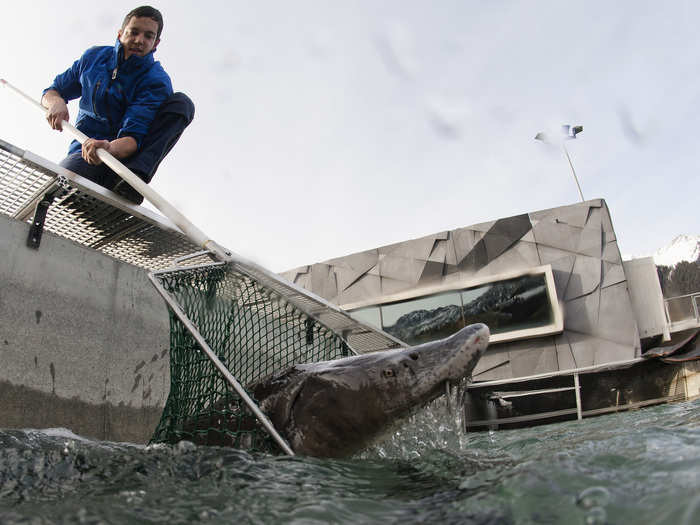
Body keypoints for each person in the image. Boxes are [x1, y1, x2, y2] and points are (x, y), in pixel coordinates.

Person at [42, 5, 194, 205]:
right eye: (134, 32)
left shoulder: (156, 80)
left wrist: (109, 148)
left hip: (124, 154)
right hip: (86, 152)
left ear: (156, 43)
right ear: (121, 33)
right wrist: (56, 102)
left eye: (148, 36)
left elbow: (133, 136)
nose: (139, 40)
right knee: (63, 184)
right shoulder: (93, 58)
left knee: (182, 103)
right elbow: (53, 91)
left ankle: (130, 181)